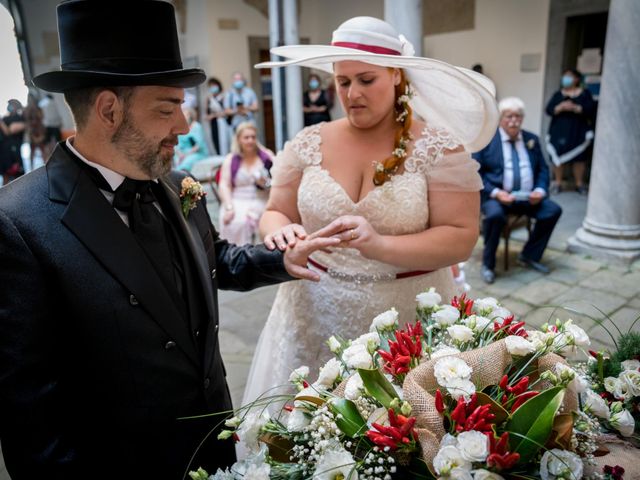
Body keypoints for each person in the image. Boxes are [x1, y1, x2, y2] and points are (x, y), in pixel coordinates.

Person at [0, 2, 339, 478]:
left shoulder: (177, 185)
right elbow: (31, 421)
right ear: (108, 109)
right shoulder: (19, 223)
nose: (184, 126)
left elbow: (214, 260)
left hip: (215, 448)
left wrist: (279, 259)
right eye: (168, 108)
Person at [241, 16, 499, 405]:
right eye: (342, 82)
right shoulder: (308, 141)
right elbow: (276, 211)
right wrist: (279, 234)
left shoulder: (438, 147)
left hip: (406, 317)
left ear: (395, 74)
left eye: (366, 80)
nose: (352, 93)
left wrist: (380, 245)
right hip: (312, 312)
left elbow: (461, 237)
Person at [473, 97, 562, 284]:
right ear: (499, 118)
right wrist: (497, 193)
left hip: (529, 199)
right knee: (494, 216)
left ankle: (529, 255)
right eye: (509, 116)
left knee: (553, 210)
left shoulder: (531, 139)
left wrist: (540, 190)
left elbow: (543, 169)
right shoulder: (487, 140)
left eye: (518, 116)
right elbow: (475, 172)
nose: (514, 120)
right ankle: (488, 265)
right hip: (497, 198)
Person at [218, 122, 273, 245]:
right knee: (234, 222)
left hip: (262, 198)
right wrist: (229, 207)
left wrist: (266, 183)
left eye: (253, 137)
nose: (250, 141)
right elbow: (224, 185)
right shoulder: (231, 159)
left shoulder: (266, 156)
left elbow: (278, 180)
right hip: (238, 199)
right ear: (238, 140)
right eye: (246, 137)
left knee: (262, 220)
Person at [545, 68, 595, 195]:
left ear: (577, 79)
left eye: (569, 76)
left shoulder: (584, 94)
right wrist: (560, 107)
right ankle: (557, 183)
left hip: (577, 130)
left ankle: (579, 184)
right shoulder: (558, 94)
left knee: (580, 158)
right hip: (559, 130)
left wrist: (576, 107)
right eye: (564, 76)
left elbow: (591, 109)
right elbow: (549, 109)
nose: (565, 79)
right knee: (557, 156)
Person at [175, 106, 209, 172]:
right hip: (182, 152)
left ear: (190, 116)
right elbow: (176, 144)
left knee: (188, 160)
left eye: (186, 114)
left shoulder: (196, 126)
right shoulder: (180, 127)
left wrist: (186, 155)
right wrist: (180, 154)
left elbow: (199, 145)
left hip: (197, 152)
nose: (184, 116)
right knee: (176, 158)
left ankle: (182, 174)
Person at [23, 94, 47, 171]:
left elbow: (41, 117)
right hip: (32, 132)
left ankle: (46, 165)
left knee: (43, 149)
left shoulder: (38, 108)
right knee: (32, 150)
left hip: (39, 131)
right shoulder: (27, 109)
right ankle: (31, 167)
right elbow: (26, 119)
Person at [38, 93, 63, 160]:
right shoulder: (47, 103)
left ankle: (52, 157)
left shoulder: (43, 103)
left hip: (50, 125)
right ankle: (53, 156)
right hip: (51, 125)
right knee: (52, 142)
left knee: (51, 142)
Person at [205, 77, 226, 154]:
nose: (212, 87)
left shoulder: (223, 97)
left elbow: (226, 112)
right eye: (210, 86)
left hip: (223, 123)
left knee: (224, 141)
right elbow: (207, 115)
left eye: (214, 85)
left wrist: (214, 115)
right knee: (215, 141)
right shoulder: (209, 98)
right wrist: (212, 116)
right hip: (213, 123)